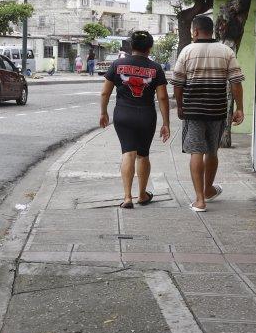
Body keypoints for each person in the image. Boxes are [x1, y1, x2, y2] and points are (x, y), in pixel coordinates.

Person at [170, 15, 245, 212]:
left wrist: (180, 106)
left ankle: (200, 199)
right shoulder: (225, 51)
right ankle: (209, 189)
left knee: (196, 151)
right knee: (212, 152)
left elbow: (178, 84)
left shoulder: (187, 51)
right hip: (217, 109)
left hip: (193, 111)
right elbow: (236, 82)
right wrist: (240, 108)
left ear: (194, 31)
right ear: (211, 30)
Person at [99, 31, 171, 209]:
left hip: (123, 114)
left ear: (131, 46)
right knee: (143, 155)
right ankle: (142, 195)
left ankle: (127, 197)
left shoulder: (117, 64)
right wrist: (166, 123)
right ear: (150, 47)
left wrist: (103, 113)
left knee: (127, 153)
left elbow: (105, 92)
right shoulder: (156, 68)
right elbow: (162, 98)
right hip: (146, 115)